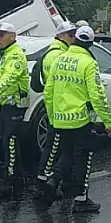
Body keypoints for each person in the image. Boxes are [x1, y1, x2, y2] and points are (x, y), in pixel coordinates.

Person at [43, 25, 111, 213]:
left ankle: (54, 179)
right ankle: (81, 199)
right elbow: (97, 95)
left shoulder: (59, 60)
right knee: (83, 156)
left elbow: (48, 91)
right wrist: (108, 121)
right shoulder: (88, 63)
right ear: (90, 43)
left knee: (66, 153)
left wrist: (52, 116)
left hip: (59, 119)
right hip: (80, 120)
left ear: (74, 39)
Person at [0, 22, 33, 193]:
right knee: (9, 142)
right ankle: (17, 176)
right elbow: (0, 75)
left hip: (14, 106)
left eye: (2, 35)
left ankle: (9, 180)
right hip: (7, 105)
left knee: (10, 142)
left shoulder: (14, 56)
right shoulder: (7, 54)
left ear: (13, 36)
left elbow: (10, 77)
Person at [37, 21, 77, 187]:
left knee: (59, 146)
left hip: (58, 106)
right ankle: (43, 181)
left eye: (74, 34)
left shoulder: (59, 51)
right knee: (53, 146)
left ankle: (56, 178)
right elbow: (57, 85)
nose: (73, 38)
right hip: (58, 108)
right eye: (70, 35)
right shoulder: (56, 55)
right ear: (60, 36)